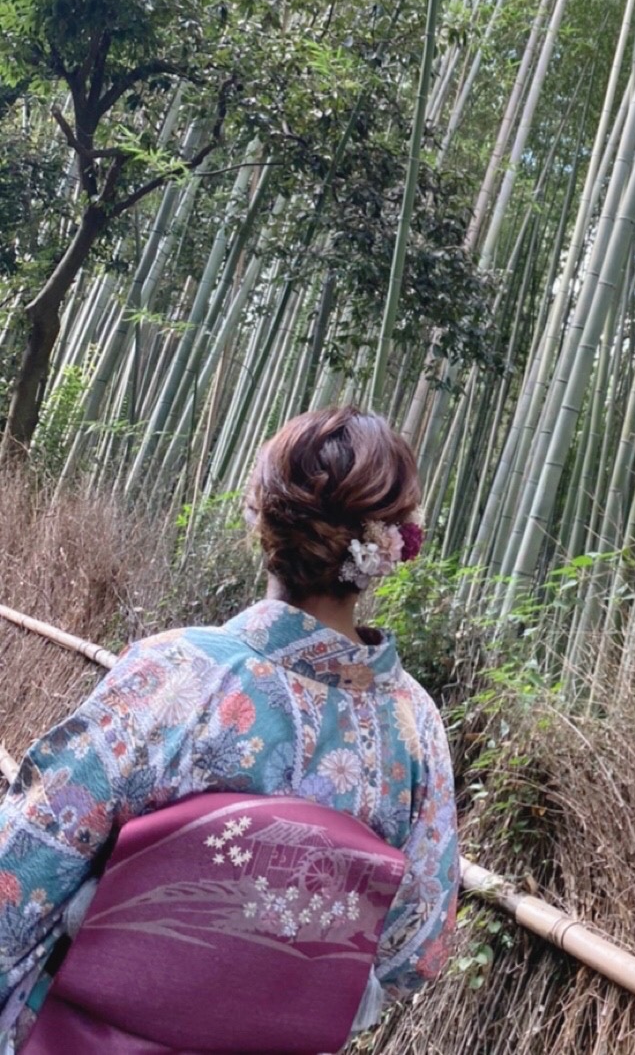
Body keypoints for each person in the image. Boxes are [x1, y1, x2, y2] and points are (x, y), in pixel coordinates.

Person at [0, 407, 459, 1052]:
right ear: (391, 543)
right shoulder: (415, 730)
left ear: (263, 519)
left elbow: (24, 865)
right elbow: (418, 947)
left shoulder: (178, 671)